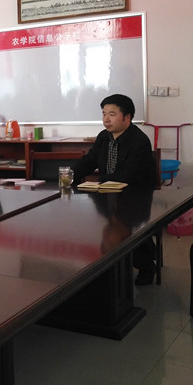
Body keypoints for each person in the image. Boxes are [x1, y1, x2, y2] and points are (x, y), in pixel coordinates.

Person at [72, 94, 158, 284]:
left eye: (112, 114)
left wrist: (99, 182)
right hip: (108, 194)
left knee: (126, 224)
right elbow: (90, 160)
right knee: (93, 223)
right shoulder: (104, 137)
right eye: (104, 114)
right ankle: (108, 264)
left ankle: (146, 266)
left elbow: (128, 175)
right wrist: (71, 174)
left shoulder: (139, 141)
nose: (106, 119)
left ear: (127, 117)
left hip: (135, 196)